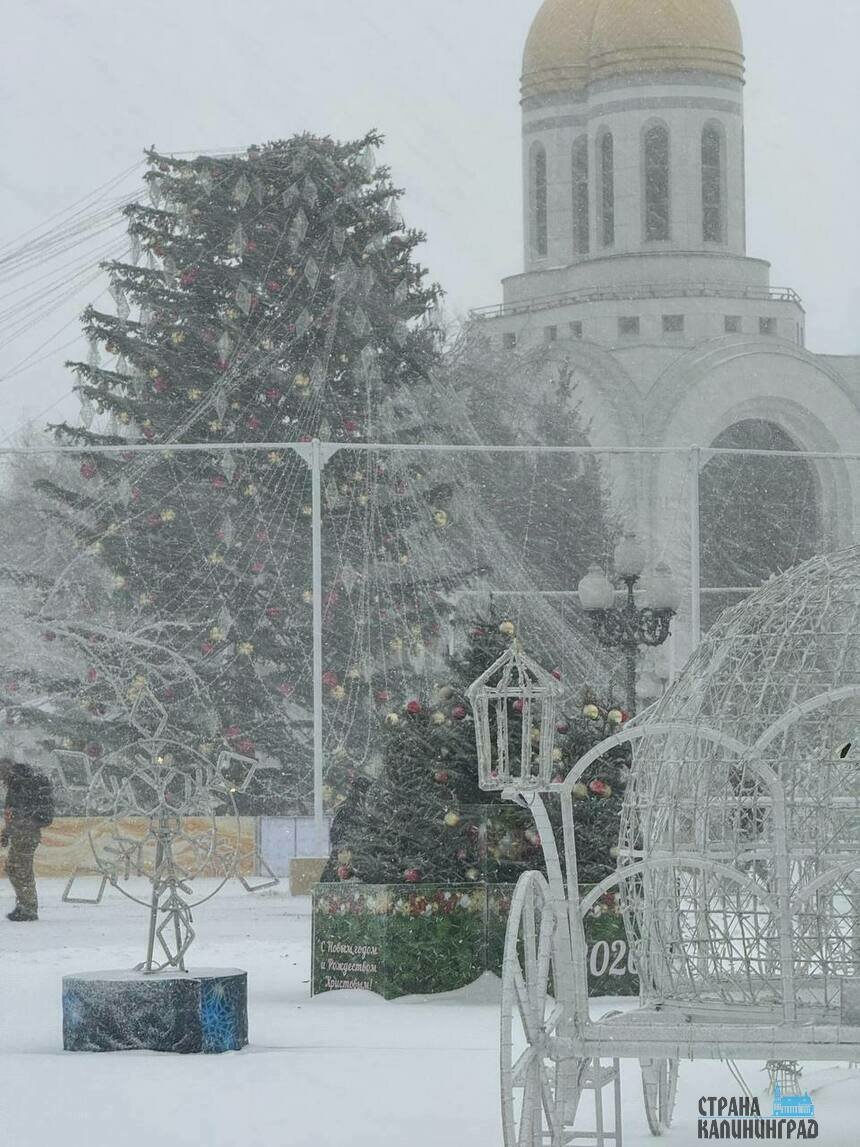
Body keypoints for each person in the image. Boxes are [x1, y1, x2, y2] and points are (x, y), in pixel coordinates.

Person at [0, 758, 54, 921]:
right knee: (16, 868)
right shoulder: (22, 782)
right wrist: (8, 832)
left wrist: (9, 832)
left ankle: (28, 907)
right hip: (26, 832)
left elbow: (16, 813)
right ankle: (25, 904)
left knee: (20, 869)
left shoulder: (19, 784)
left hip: (25, 833)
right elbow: (15, 813)